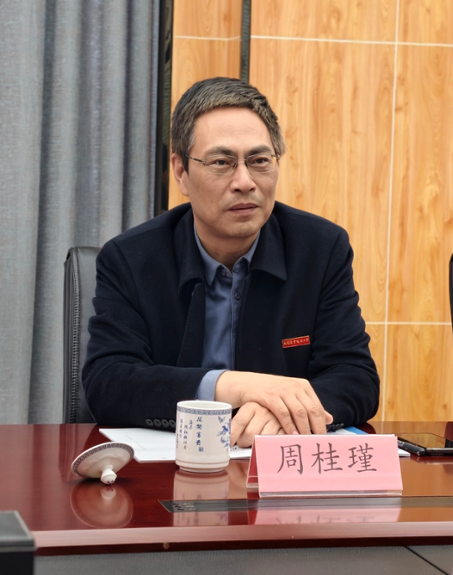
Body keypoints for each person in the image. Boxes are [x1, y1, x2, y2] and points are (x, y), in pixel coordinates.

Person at [83, 77, 378, 445]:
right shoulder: (131, 258)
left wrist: (281, 411)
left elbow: (355, 378)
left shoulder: (320, 249)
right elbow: (109, 382)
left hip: (274, 466)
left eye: (259, 161)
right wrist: (231, 386)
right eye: (222, 162)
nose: (244, 181)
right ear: (181, 172)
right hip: (169, 465)